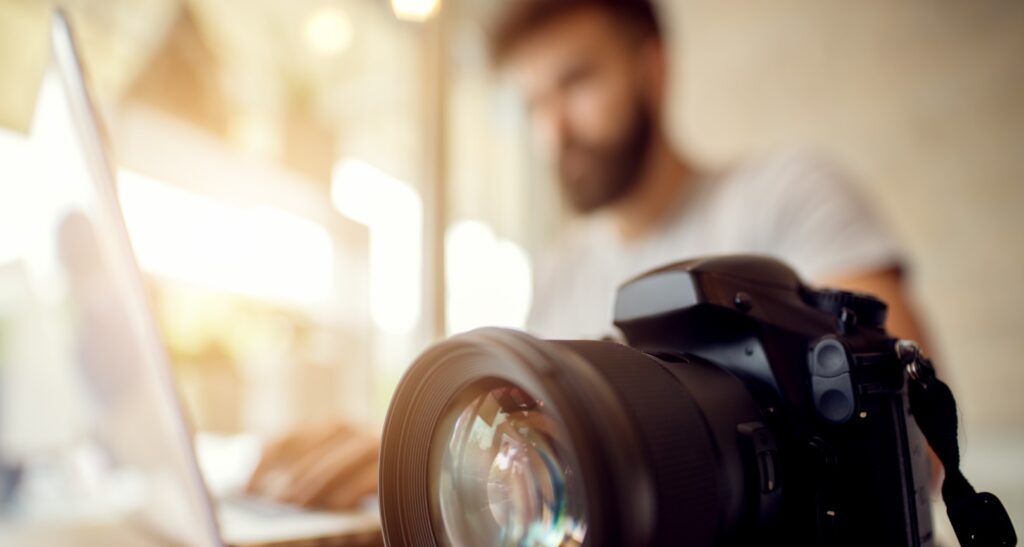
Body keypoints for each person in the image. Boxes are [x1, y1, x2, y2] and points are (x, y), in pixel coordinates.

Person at [248, 0, 930, 509]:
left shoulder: (786, 195)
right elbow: (526, 449)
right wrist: (423, 452)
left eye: (575, 84)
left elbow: (912, 443)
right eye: (534, 103)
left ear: (652, 69)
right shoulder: (562, 269)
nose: (554, 131)